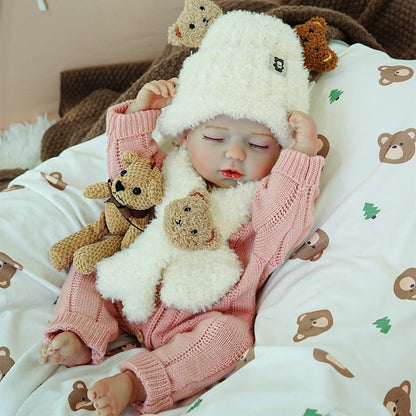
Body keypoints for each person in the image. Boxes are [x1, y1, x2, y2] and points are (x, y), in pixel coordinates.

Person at [39, 10, 324, 416]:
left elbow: (283, 226)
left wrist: (301, 156)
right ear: (186, 133)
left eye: (259, 145)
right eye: (214, 137)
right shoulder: (168, 169)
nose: (235, 153)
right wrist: (142, 112)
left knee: (229, 339)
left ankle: (135, 380)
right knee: (90, 265)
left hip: (200, 317)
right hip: (134, 284)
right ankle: (79, 331)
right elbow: (127, 179)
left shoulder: (263, 202)